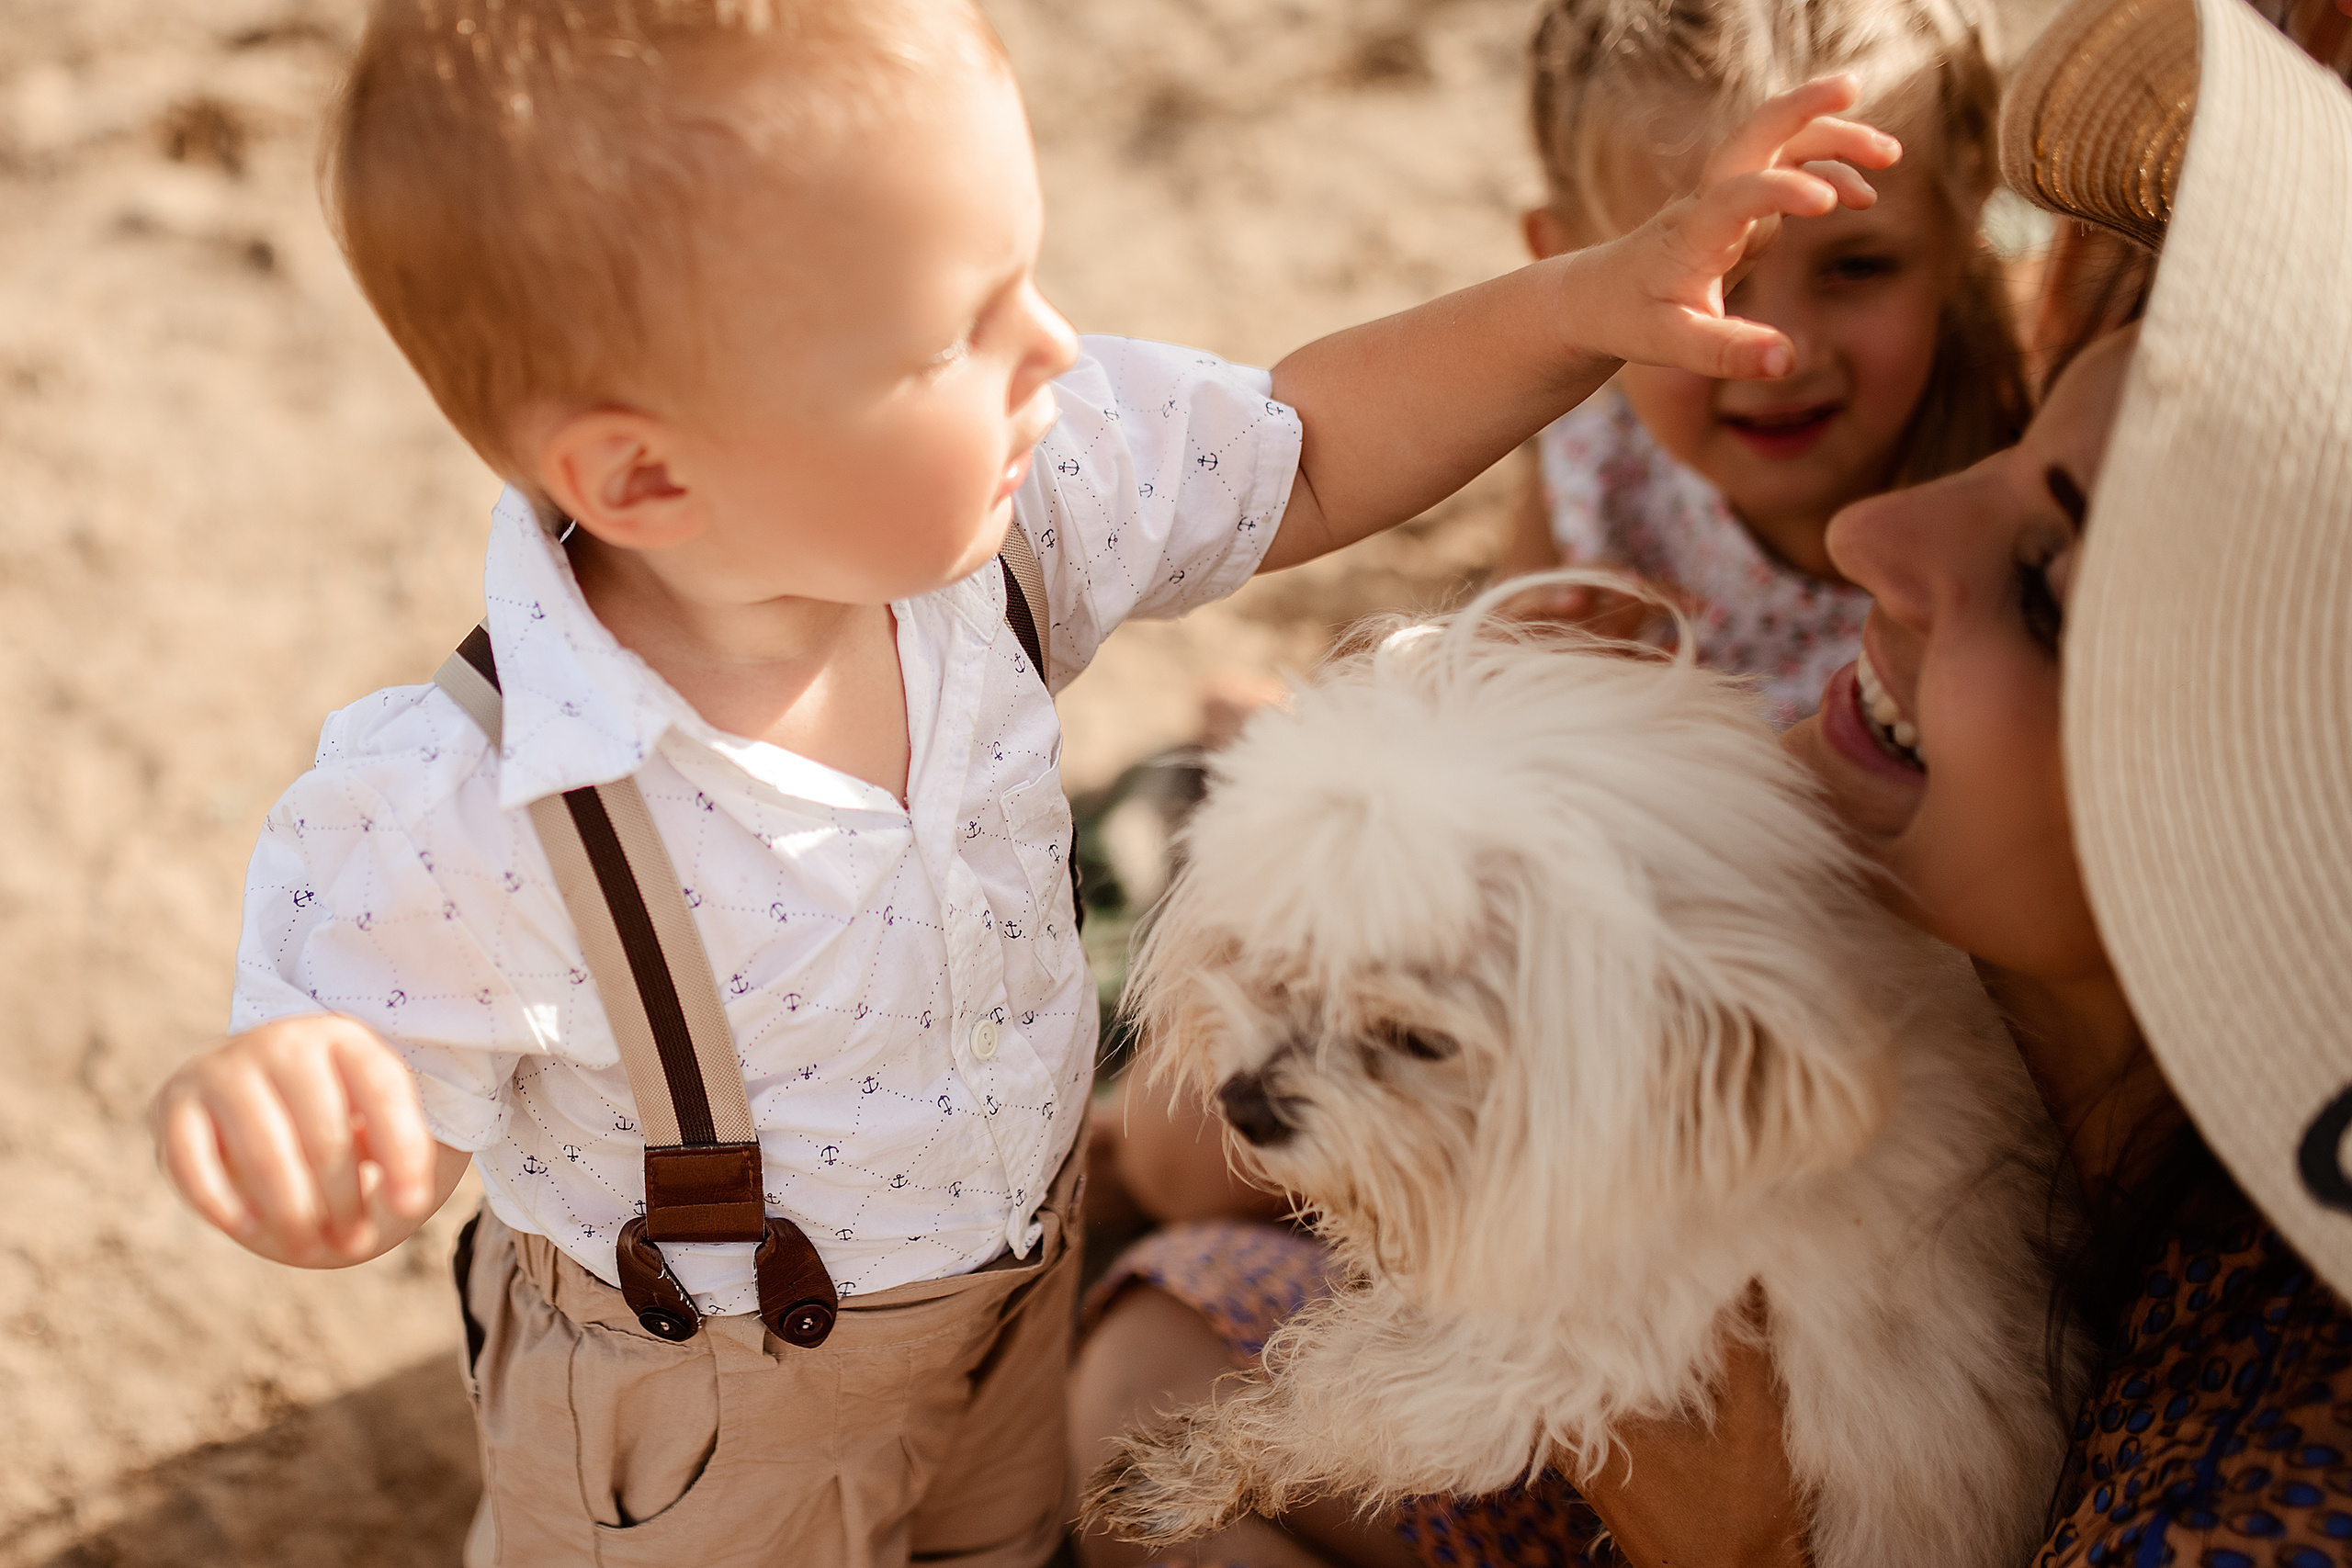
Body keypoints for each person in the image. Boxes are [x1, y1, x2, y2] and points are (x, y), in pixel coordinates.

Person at [141, 2, 1902, 1563]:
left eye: (1027, 279)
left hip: (1010, 1286)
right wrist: (303, 1115)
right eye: (955, 333)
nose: (1053, 350)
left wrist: (1582, 302)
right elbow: (349, 1073)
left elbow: (1306, 446)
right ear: (647, 475)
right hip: (703, 1428)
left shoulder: (1000, 528)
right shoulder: (475, 801)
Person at [1082, 0, 2352, 1563]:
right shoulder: (1927, 941)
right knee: (1152, 1334)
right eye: (2021, 464)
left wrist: (1736, 1546)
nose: (1871, 538)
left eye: (2044, 582)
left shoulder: (2254, 1486)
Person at [1496, 0, 2027, 729]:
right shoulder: (1600, 472)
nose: (1780, 350)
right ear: (1566, 266)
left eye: (1858, 266)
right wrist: (1517, 674)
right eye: (1709, 277)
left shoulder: (2025, 488)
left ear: (1963, 237)